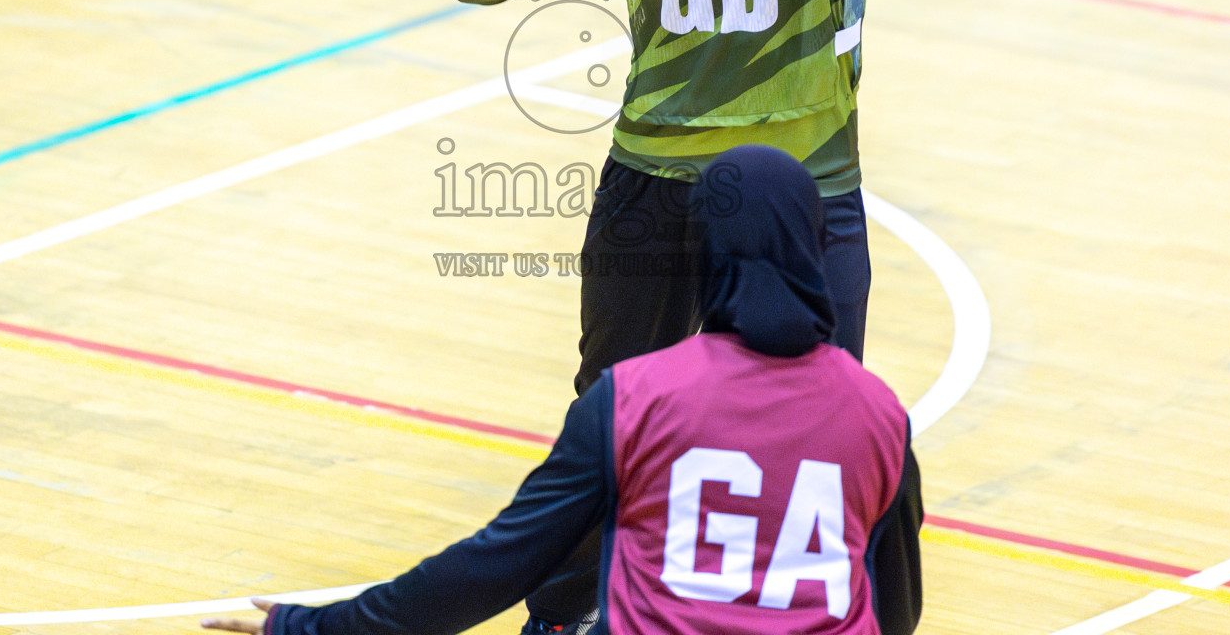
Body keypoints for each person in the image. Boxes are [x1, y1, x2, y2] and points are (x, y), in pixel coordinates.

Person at [452, 0, 890, 629]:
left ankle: (818, 607)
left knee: (825, 417)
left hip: (801, 193)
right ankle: (563, 611)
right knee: (606, 410)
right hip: (654, 179)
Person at [202, 146, 922, 635]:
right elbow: (898, 607)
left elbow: (490, 568)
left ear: (703, 248)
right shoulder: (878, 416)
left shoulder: (637, 397)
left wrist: (305, 624)